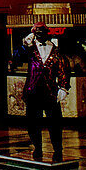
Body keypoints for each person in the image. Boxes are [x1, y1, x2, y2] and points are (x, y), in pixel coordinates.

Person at [12, 24, 70, 163]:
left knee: (55, 122)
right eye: (37, 33)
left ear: (47, 33)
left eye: (42, 32)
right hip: (33, 91)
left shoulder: (56, 51)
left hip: (50, 92)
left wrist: (63, 87)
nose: (40, 35)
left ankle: (58, 149)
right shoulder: (30, 50)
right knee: (33, 122)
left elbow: (63, 68)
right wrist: (26, 41)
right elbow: (17, 56)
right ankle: (37, 147)